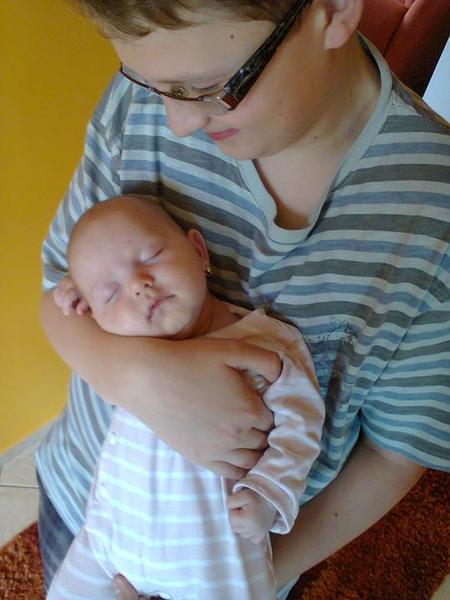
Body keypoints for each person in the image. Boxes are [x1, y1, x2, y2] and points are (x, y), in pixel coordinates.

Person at [37, 0, 450, 598]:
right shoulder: (139, 110)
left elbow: (394, 453)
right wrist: (140, 377)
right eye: (152, 85)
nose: (179, 121)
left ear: (335, 10)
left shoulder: (432, 216)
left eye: (212, 88)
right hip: (82, 503)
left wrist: (237, 580)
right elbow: (58, 293)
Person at [46, 194, 324, 599]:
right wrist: (78, 297)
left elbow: (302, 423)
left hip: (213, 558)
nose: (138, 285)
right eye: (110, 292)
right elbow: (70, 318)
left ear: (198, 250)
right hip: (108, 537)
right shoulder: (127, 342)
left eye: (152, 256)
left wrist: (270, 491)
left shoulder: (265, 344)